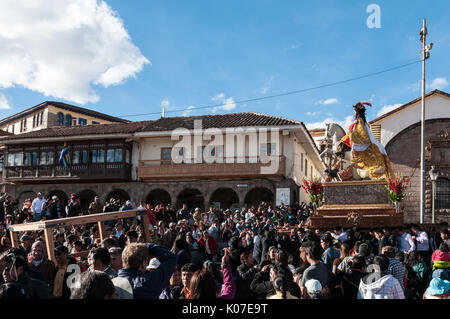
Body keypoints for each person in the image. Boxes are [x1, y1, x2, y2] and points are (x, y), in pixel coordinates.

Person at [337, 101, 393, 180]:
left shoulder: (359, 121)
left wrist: (352, 134)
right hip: (359, 142)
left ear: (357, 111)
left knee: (354, 155)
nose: (353, 112)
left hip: (361, 144)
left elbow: (361, 133)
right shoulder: (360, 121)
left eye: (354, 110)